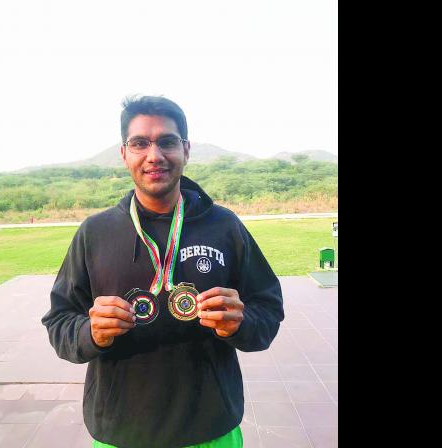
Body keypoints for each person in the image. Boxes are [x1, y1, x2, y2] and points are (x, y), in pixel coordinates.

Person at [41, 95, 284, 448]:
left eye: (167, 141)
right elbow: (59, 320)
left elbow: (269, 308)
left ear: (185, 149)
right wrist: (89, 331)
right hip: (120, 431)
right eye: (140, 143)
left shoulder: (225, 226)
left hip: (211, 427)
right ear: (124, 153)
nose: (154, 155)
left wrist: (241, 323)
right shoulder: (95, 233)